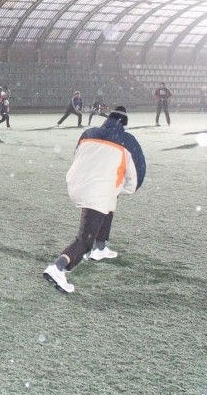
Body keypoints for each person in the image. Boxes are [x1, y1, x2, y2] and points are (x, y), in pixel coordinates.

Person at [42, 106, 146, 294]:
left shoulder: (88, 133)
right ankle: (58, 267)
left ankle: (100, 247)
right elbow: (137, 175)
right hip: (96, 190)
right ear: (124, 124)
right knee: (84, 239)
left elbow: (78, 156)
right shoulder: (128, 141)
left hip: (76, 183)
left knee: (108, 202)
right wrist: (124, 189)